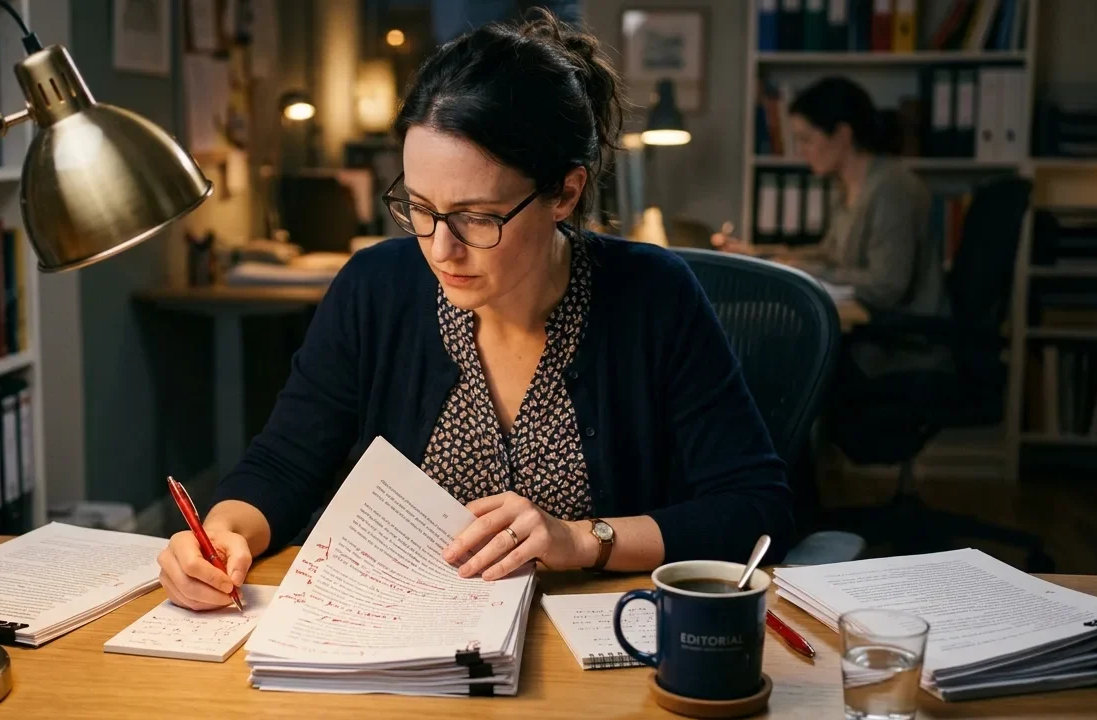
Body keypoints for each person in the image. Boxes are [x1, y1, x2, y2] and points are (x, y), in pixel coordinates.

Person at [157, 10, 792, 611]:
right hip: (394, 636)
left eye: (476, 217)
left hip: (585, 657)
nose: (440, 247)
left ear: (564, 193)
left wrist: (580, 540)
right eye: (421, 207)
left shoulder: (654, 296)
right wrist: (221, 536)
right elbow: (282, 465)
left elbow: (755, 509)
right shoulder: (375, 289)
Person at [713, 76, 946, 325]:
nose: (800, 151)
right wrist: (761, 255)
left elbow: (886, 285)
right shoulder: (844, 187)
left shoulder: (892, 187)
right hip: (864, 335)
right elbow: (828, 254)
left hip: (895, 345)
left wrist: (800, 270)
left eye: (806, 139)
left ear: (842, 135)